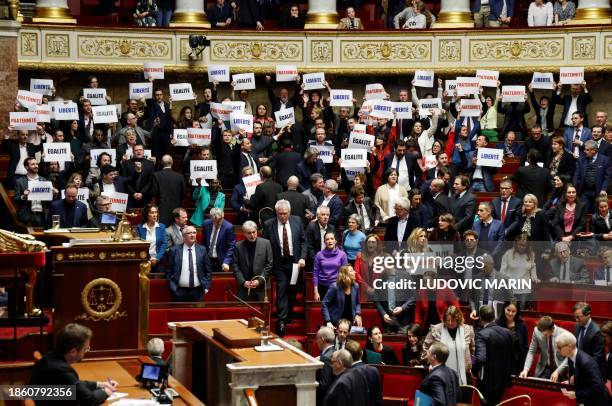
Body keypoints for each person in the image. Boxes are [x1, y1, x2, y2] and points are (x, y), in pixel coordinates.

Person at [30, 323, 116, 405]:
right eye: (85, 349)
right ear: (73, 352)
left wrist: (99, 384)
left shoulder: (50, 357)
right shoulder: (62, 370)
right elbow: (89, 400)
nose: (86, 352)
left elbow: (75, 385)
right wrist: (106, 392)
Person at [262, 200, 306, 336]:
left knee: (292, 289)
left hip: (295, 262)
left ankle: (289, 315)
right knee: (282, 288)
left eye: (285, 214)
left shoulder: (297, 221)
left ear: (290, 212)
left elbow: (303, 241)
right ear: (276, 213)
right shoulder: (269, 224)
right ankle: (281, 320)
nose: (282, 216)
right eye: (280, 214)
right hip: (279, 263)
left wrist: (302, 257)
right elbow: (265, 244)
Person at [472, 305, 517, 406]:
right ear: (494, 317)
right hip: (503, 379)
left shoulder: (481, 334)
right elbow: (513, 356)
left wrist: (473, 369)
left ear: (480, 318)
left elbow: (480, 357)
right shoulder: (508, 332)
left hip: (487, 381)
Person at [422, 306, 475, 386]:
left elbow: (472, 350)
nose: (450, 323)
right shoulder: (436, 329)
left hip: (463, 374)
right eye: (447, 320)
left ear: (458, 319)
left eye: (453, 320)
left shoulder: (467, 330)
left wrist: (470, 365)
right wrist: (431, 363)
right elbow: (425, 348)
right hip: (440, 374)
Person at [555, 331, 611, 404]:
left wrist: (576, 394)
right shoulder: (570, 357)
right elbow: (582, 378)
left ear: (569, 346)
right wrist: (570, 382)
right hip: (585, 400)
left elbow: (598, 389)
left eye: (559, 347)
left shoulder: (586, 362)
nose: (557, 350)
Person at [165, 225, 212, 301]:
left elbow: (208, 270)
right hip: (179, 291)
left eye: (194, 233)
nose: (192, 235)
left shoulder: (202, 250)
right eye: (189, 233)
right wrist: (173, 288)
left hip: (198, 291)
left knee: (197, 312)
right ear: (183, 236)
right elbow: (169, 271)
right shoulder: (174, 250)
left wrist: (206, 287)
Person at [232, 221, 273, 301]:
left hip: (261, 286)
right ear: (244, 233)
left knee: (262, 312)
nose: (252, 235)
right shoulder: (238, 246)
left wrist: (259, 281)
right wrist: (243, 282)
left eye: (254, 232)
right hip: (244, 286)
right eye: (249, 233)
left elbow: (269, 265)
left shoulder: (266, 243)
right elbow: (235, 266)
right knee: (243, 312)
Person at [499, 233, 539, 307]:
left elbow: (533, 267)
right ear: (516, 244)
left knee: (521, 310)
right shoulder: (508, 254)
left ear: (527, 245)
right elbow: (502, 271)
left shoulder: (531, 254)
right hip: (510, 288)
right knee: (510, 309)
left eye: (524, 245)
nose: (521, 247)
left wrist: (534, 277)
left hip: (525, 288)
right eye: (519, 245)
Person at [14, 157, 55, 227]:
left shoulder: (44, 180)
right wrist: (23, 196)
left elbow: (48, 202)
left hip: (41, 216)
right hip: (27, 216)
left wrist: (53, 194)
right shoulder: (20, 181)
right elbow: (16, 200)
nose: (36, 166)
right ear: (26, 167)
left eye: (36, 164)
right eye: (33, 164)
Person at [418, 342, 462, 406]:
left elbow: (439, 402)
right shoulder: (453, 372)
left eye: (429, 351)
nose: (427, 353)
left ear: (434, 357)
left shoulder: (435, 376)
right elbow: (459, 397)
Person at [573, 140, 611, 212]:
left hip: (599, 191)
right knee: (581, 211)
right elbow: (577, 175)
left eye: (587, 150)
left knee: (598, 212)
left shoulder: (605, 160)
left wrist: (603, 189)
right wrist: (574, 188)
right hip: (585, 191)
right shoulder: (581, 160)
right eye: (585, 149)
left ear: (594, 150)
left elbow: (607, 177)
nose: (584, 151)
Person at [321, 265, 362, 329]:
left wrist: (357, 314)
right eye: (351, 271)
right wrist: (328, 321)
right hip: (334, 323)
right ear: (345, 274)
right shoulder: (335, 287)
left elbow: (357, 303)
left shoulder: (355, 286)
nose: (355, 272)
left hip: (350, 323)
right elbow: (324, 304)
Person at [571, 302, 606, 376]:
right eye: (575, 317)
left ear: (588, 315)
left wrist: (581, 373)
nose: (576, 320)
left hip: (590, 373)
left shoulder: (596, 331)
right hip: (577, 370)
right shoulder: (576, 326)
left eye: (578, 317)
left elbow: (596, 358)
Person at [496, 301, 529, 375]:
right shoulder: (497, 323)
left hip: (517, 364)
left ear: (517, 312)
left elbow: (525, 346)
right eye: (508, 310)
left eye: (513, 311)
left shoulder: (521, 324)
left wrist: (525, 367)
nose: (510, 313)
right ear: (504, 309)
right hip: (500, 363)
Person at [314, 232, 348, 301]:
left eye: (332, 239)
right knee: (325, 310)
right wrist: (315, 291)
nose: (329, 241)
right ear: (324, 242)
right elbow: (315, 273)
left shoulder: (342, 255)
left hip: (337, 287)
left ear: (335, 241)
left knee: (337, 311)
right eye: (327, 239)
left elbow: (345, 273)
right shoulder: (319, 255)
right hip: (322, 287)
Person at [153, 155, 185, 226]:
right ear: (172, 162)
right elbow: (183, 194)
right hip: (176, 209)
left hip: (162, 209)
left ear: (161, 163)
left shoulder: (156, 175)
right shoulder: (180, 176)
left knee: (163, 230)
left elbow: (154, 192)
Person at [202, 208, 236, 274]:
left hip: (221, 260)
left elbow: (231, 246)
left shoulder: (229, 227)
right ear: (211, 218)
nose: (219, 222)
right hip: (208, 259)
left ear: (223, 216)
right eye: (216, 220)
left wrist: (226, 261)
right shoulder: (206, 224)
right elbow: (204, 241)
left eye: (220, 219)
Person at [121, 144, 155, 209]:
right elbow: (124, 181)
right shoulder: (126, 164)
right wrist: (133, 193)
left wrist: (142, 193)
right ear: (133, 152)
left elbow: (150, 181)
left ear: (143, 151)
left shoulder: (150, 164)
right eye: (136, 150)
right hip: (130, 197)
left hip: (145, 197)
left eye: (140, 150)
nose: (138, 152)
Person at [136, 205, 167, 273]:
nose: (155, 215)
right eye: (152, 213)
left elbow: (164, 244)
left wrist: (157, 259)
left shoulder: (161, 227)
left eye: (156, 212)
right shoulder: (139, 227)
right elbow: (140, 246)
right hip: (144, 261)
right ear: (147, 215)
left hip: (158, 261)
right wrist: (149, 259)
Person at [315, 326, 336, 406]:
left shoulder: (325, 357)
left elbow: (324, 384)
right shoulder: (335, 351)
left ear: (322, 339)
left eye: (317, 339)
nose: (317, 341)